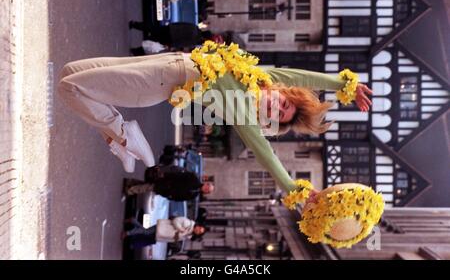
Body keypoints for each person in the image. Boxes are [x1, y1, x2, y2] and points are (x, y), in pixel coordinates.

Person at [57, 42, 372, 193]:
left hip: (161, 81)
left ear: (272, 121)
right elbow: (302, 77)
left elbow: (265, 153)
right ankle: (120, 139)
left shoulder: (244, 112)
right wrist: (346, 84)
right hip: (169, 62)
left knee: (70, 88)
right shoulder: (260, 75)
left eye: (280, 114)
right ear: (282, 92)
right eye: (283, 102)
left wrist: (291, 187)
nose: (277, 106)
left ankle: (125, 135)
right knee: (72, 73)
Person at [123, 164, 215, 201]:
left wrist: (171, 197)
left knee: (149, 186)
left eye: (207, 190)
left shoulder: (194, 195)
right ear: (206, 183)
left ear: (206, 192)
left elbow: (181, 198)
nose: (206, 188)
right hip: (168, 183)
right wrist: (166, 175)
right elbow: (179, 175)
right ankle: (130, 191)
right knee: (150, 187)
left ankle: (130, 182)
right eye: (207, 186)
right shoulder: (194, 178)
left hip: (168, 192)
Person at [123, 217, 207, 249]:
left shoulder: (188, 235)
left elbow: (175, 238)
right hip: (162, 227)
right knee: (145, 232)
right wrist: (180, 228)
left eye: (199, 232)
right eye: (199, 228)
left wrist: (177, 238)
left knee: (145, 231)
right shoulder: (188, 223)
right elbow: (175, 220)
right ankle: (127, 233)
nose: (198, 230)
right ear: (198, 226)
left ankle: (132, 220)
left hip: (162, 234)